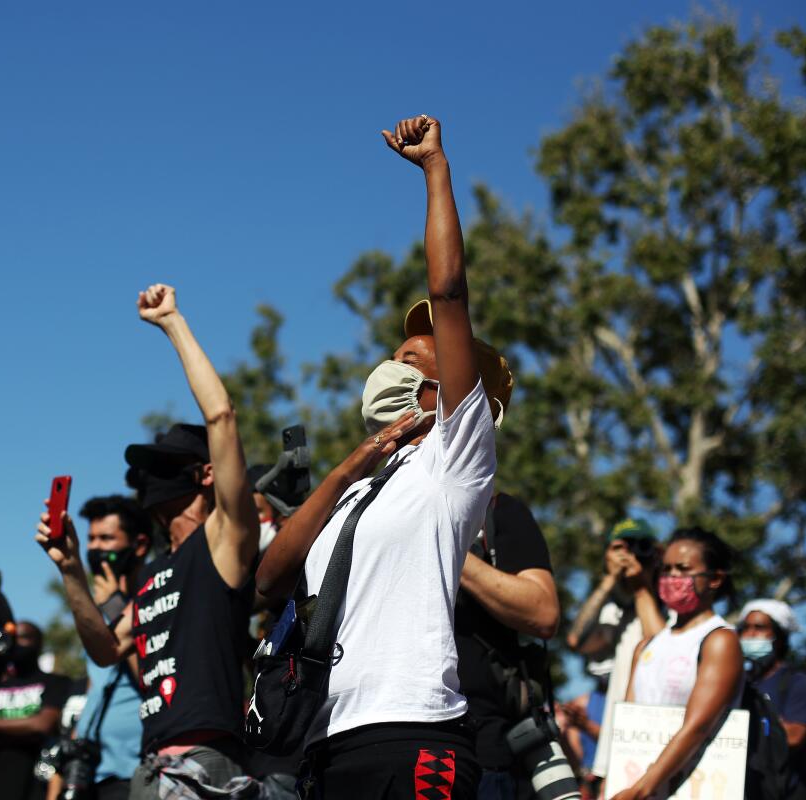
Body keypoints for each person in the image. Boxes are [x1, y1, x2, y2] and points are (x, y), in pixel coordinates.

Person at [256, 114, 500, 800]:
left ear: (441, 388)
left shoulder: (453, 461)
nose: (390, 369)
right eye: (390, 357)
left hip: (415, 730)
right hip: (327, 740)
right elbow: (269, 579)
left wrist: (434, 171)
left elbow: (448, 293)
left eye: (411, 363)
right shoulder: (360, 489)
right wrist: (350, 466)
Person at [38, 283, 261, 799]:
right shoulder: (155, 572)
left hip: (207, 763)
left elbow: (222, 417)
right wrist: (70, 568)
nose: (148, 479)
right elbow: (102, 650)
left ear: (205, 474)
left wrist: (172, 323)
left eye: (165, 467)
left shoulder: (224, 540)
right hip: (153, 766)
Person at [610, 527, 743, 800]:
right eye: (667, 569)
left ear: (715, 578)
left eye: (683, 569)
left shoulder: (719, 640)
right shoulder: (646, 646)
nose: (672, 577)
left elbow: (698, 726)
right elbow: (628, 728)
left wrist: (641, 789)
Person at [453, 490, 559, 799]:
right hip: (373, 741)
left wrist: (445, 539)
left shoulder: (497, 509)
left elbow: (543, 612)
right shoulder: (365, 505)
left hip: (480, 752)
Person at [564, 518, 665, 785]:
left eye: (638, 546)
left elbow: (661, 651)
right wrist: (610, 579)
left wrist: (644, 583)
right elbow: (576, 640)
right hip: (620, 747)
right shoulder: (614, 612)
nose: (629, 554)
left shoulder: (670, 603)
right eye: (620, 547)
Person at [72, 495, 149, 800]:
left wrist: (116, 606)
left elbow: (150, 675)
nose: (94, 548)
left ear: (139, 545)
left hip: (133, 771)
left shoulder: (153, 595)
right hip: (92, 774)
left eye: (106, 538)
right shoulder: (100, 610)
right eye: (90, 538)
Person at [0, 621, 71, 800]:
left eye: (23, 637)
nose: (15, 643)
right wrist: (27, 727)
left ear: (38, 643)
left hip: (39, 788)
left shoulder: (57, 683)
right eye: (12, 638)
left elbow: (42, 725)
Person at [738, 599, 806, 799]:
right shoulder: (741, 684)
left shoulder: (797, 683)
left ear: (779, 637)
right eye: (745, 628)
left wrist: (753, 727)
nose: (750, 634)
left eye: (759, 627)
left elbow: (794, 736)